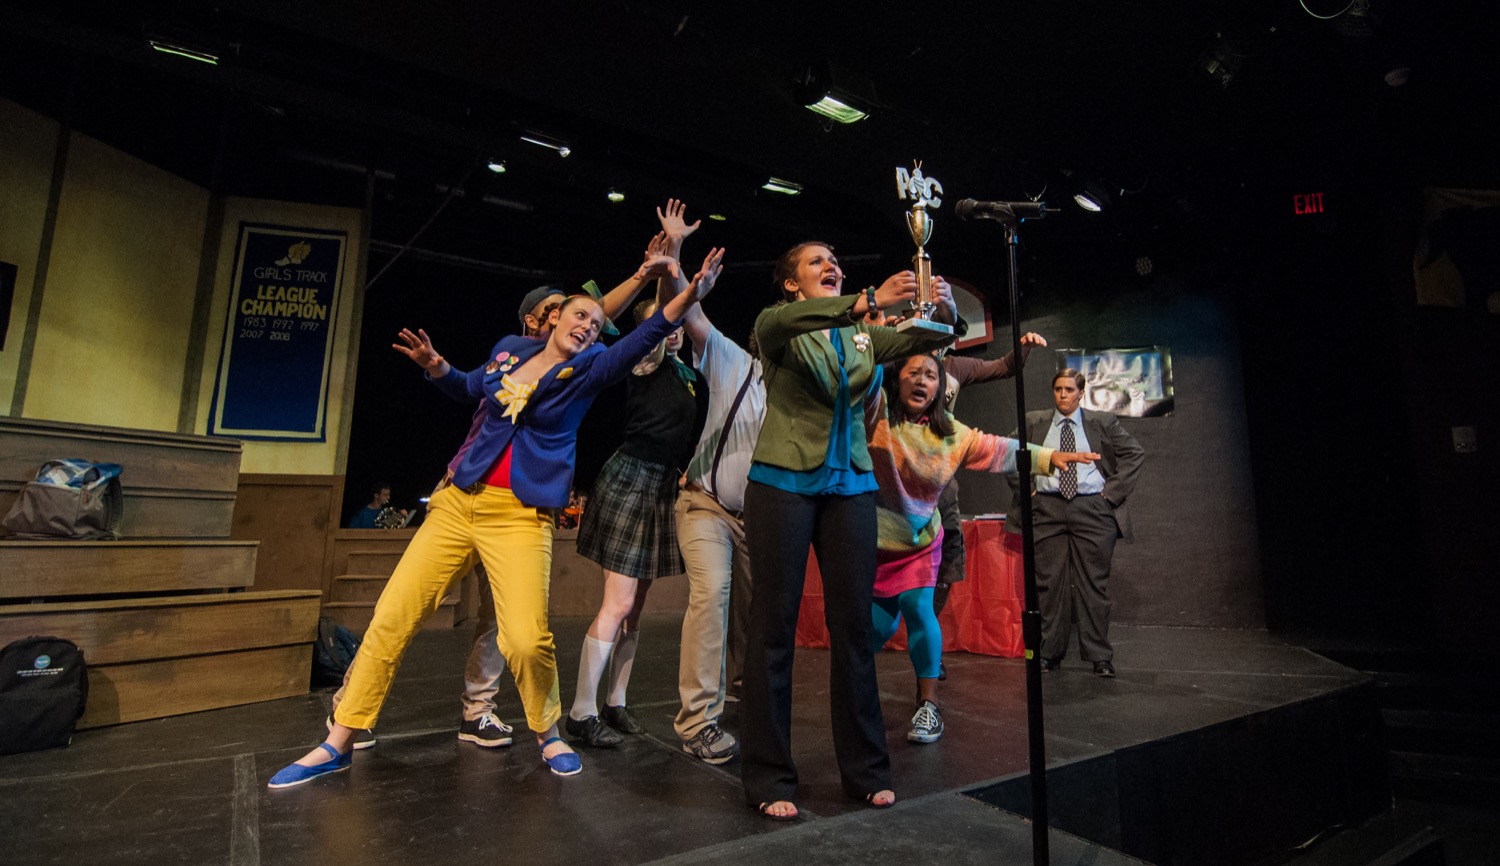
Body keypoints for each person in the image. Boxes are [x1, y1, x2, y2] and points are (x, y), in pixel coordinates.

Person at [267, 249, 723, 788]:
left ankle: (548, 731)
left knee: (526, 639)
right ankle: (338, 739)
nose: (587, 325)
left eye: (595, 322)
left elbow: (645, 334)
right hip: (459, 501)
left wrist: (687, 291)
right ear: (551, 319)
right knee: (392, 618)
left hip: (520, 513)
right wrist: (437, 368)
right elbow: (468, 388)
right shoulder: (508, 349)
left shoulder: (588, 368)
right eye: (578, 315)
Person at [739, 241, 953, 821]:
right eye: (816, 262)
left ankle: (866, 772)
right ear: (791, 282)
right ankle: (768, 775)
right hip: (783, 484)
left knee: (855, 630)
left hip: (852, 487)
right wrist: (866, 299)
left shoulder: (862, 336)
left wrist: (942, 310)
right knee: (773, 630)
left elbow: (923, 342)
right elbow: (788, 322)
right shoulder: (777, 323)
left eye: (835, 259)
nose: (830, 265)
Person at [866, 353, 1096, 743]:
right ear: (896, 379)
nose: (922, 381)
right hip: (875, 545)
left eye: (931, 375)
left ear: (941, 387)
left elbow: (997, 449)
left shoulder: (950, 434)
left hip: (920, 543)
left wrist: (1047, 457)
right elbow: (863, 376)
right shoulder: (875, 416)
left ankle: (929, 706)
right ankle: (857, 696)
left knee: (919, 609)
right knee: (875, 626)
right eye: (913, 373)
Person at [566, 250, 719, 746]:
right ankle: (581, 711)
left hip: (661, 486)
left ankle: (616, 702)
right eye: (662, 324)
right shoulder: (644, 360)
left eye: (675, 325)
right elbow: (658, 324)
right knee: (618, 602)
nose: (672, 330)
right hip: (630, 478)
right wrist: (669, 269)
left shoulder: (689, 377)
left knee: (637, 607)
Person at [651, 200, 764, 764]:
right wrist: (674, 258)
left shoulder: (812, 395)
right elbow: (686, 313)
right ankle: (697, 720)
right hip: (707, 506)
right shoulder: (738, 364)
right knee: (713, 593)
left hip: (760, 521)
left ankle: (742, 692)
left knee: (754, 612)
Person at [1006, 368, 1145, 677]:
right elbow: (1007, 453)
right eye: (1058, 389)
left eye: (1069, 390)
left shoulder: (1101, 422)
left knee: (1093, 584)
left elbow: (1134, 453)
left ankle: (1100, 657)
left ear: (1081, 393)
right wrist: (1028, 490)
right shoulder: (1035, 421)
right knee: (1049, 584)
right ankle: (1049, 653)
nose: (1063, 395)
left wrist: (1110, 494)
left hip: (1092, 508)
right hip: (1047, 508)